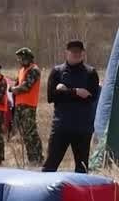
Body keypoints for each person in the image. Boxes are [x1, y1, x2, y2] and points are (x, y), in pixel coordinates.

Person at [43, 39, 101, 174]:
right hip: (61, 126)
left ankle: (81, 195)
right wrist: (76, 92)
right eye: (73, 52)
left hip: (82, 128)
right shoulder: (57, 72)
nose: (76, 54)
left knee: (82, 169)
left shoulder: (91, 73)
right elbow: (51, 97)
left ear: (83, 54)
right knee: (50, 165)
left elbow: (90, 98)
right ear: (66, 53)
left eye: (78, 52)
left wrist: (64, 91)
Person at [10, 47, 45, 165]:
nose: (20, 61)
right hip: (20, 105)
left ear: (28, 58)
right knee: (25, 134)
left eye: (21, 58)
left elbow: (26, 86)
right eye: (19, 59)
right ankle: (32, 158)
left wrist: (14, 89)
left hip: (28, 105)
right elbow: (16, 84)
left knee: (31, 132)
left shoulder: (34, 70)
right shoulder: (21, 70)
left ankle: (38, 157)